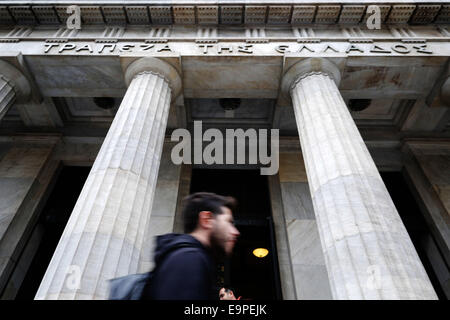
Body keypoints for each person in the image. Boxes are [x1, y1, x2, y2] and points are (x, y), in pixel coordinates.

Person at [141, 192, 240, 300]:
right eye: (229, 222)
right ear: (206, 220)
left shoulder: (190, 257)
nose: (235, 232)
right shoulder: (189, 259)